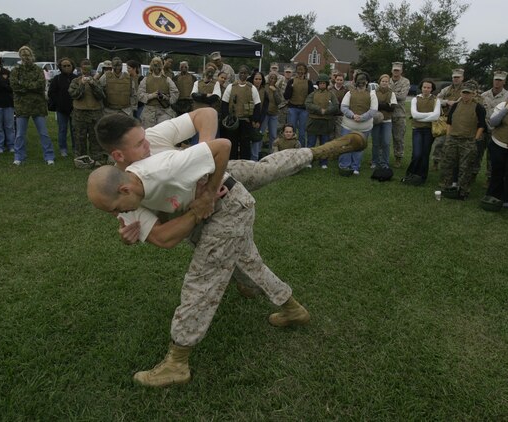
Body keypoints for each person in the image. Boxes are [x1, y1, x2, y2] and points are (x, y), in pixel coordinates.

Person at [89, 108, 365, 388]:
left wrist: (206, 172)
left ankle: (177, 363)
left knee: (204, 276)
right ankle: (291, 308)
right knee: (242, 260)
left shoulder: (161, 159)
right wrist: (141, 229)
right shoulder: (118, 186)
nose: (147, 143)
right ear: (118, 157)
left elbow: (211, 125)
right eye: (138, 144)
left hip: (219, 187)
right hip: (202, 201)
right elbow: (161, 236)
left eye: (144, 138)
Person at [440, 81, 487, 200]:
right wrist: (448, 136)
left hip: (468, 140)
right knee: (448, 163)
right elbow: (449, 122)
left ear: (473, 94)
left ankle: (463, 191)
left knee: (465, 167)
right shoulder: (455, 105)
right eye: (464, 93)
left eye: (468, 93)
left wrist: (475, 139)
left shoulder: (478, 107)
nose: (465, 96)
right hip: (453, 138)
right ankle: (447, 186)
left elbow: (482, 125)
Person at [10, 46, 55, 165]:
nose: (26, 57)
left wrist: (24, 85)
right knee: (20, 134)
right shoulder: (16, 70)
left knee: (44, 133)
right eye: (23, 55)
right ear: (20, 56)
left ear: (32, 55)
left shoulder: (38, 70)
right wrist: (30, 86)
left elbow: (40, 85)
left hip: (38, 105)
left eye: (28, 55)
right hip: (21, 106)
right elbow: (14, 86)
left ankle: (49, 156)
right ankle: (19, 156)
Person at [477, 70, 508, 183]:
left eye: (500, 80)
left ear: (504, 82)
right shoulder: (484, 95)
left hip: (497, 130)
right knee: (476, 153)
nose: (497, 82)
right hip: (483, 129)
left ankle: (490, 178)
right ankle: (473, 173)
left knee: (492, 156)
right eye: (495, 80)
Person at [338, 71, 377, 176]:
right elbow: (344, 107)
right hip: (348, 125)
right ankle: (344, 166)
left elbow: (373, 110)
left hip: (364, 127)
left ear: (367, 82)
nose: (361, 84)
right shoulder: (349, 93)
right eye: (359, 81)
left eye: (363, 82)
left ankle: (355, 167)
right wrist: (352, 115)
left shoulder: (372, 94)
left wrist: (363, 117)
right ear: (356, 82)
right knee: (345, 146)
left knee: (359, 147)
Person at [68, 58, 105, 167]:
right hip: (80, 114)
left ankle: (96, 158)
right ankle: (81, 158)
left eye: (88, 70)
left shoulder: (96, 81)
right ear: (80, 69)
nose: (86, 73)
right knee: (80, 137)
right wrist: (82, 85)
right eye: (84, 70)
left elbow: (101, 96)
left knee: (95, 137)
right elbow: (74, 95)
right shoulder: (75, 82)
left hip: (95, 114)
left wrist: (93, 84)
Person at [403, 79, 441, 185]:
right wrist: (429, 116)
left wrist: (420, 117)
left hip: (429, 130)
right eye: (424, 87)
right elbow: (414, 115)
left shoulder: (435, 100)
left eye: (429, 87)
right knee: (417, 154)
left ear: (432, 89)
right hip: (417, 130)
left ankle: (422, 176)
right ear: (421, 88)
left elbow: (436, 116)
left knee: (425, 154)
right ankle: (411, 173)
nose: (426, 89)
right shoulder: (415, 99)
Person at [221, 65, 261, 160]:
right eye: (241, 73)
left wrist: (255, 119)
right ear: (238, 74)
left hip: (246, 120)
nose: (243, 74)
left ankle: (245, 162)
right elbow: (224, 103)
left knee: (245, 144)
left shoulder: (252, 88)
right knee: (232, 143)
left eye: (245, 73)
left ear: (248, 75)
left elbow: (257, 105)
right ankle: (232, 161)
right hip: (233, 121)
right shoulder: (230, 87)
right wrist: (226, 118)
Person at [432, 68, 464, 170]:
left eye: (458, 77)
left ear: (462, 78)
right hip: (445, 120)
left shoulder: (466, 90)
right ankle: (436, 162)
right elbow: (437, 99)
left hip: (460, 121)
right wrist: (447, 102)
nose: (456, 79)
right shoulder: (447, 89)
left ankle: (453, 165)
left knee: (456, 144)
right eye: (454, 77)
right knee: (439, 142)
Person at [305, 73, 339, 169]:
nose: (322, 85)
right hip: (313, 121)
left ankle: (323, 162)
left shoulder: (331, 95)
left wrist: (327, 111)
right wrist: (319, 109)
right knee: (311, 143)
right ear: (318, 84)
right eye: (320, 83)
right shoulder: (313, 94)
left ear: (327, 84)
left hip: (326, 122)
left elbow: (336, 106)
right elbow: (307, 104)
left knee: (324, 144)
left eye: (324, 83)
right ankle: (309, 161)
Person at [138, 56, 178, 129]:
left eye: (158, 65)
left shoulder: (167, 80)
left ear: (161, 66)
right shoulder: (146, 80)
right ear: (152, 66)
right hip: (149, 112)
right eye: (155, 65)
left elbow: (175, 93)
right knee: (149, 135)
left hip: (164, 112)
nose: (156, 68)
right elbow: (140, 95)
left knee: (163, 134)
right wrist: (151, 96)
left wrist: (166, 98)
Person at [47, 57, 76, 157]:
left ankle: (75, 148)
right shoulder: (57, 79)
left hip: (75, 109)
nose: (67, 67)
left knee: (74, 130)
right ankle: (63, 149)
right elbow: (51, 93)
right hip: (61, 109)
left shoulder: (76, 78)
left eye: (69, 65)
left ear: (72, 66)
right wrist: (58, 103)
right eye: (64, 66)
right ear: (60, 67)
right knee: (62, 129)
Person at [191, 62, 222, 143]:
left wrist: (201, 96)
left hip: (210, 116)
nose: (210, 72)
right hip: (198, 114)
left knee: (210, 140)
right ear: (205, 70)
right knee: (196, 139)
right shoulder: (197, 83)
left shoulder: (216, 83)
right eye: (209, 69)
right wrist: (206, 95)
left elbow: (215, 98)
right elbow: (194, 96)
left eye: (212, 70)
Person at [371, 74, 398, 170]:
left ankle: (384, 163)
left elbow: (392, 108)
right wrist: (386, 105)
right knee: (375, 142)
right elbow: (372, 106)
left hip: (387, 121)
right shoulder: (373, 92)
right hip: (376, 121)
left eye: (386, 81)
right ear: (379, 82)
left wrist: (380, 105)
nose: (384, 83)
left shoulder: (392, 93)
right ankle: (375, 161)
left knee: (386, 142)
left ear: (388, 83)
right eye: (383, 81)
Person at [284, 63, 314, 148]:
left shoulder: (309, 82)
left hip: (304, 110)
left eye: (302, 69)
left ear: (305, 71)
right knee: (290, 130)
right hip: (292, 108)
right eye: (298, 69)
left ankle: (301, 150)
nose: (300, 71)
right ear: (296, 70)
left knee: (302, 132)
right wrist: (290, 87)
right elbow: (286, 96)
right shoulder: (291, 81)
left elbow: (311, 96)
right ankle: (289, 148)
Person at [388, 62, 410, 168]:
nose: (396, 72)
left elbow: (402, 96)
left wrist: (388, 94)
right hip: (386, 113)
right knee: (384, 138)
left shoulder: (405, 81)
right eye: (394, 70)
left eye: (398, 70)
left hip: (399, 114)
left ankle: (398, 158)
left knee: (398, 138)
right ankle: (381, 158)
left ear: (401, 71)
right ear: (392, 70)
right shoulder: (386, 80)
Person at [248, 70, 268, 161]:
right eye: (256, 79)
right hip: (249, 118)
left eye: (260, 79)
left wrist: (259, 121)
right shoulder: (248, 89)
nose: (258, 81)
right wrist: (252, 120)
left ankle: (255, 159)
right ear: (253, 79)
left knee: (257, 138)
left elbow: (264, 108)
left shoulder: (265, 91)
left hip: (260, 119)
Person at [261, 71, 283, 154]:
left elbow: (279, 101)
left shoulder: (277, 89)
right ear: (268, 78)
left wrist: (275, 92)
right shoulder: (264, 87)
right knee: (261, 133)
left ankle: (272, 152)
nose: (272, 80)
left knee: (273, 135)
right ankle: (259, 151)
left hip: (274, 114)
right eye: (271, 78)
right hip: (265, 114)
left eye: (274, 79)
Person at [329, 72, 348, 141]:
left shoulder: (346, 91)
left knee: (339, 134)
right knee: (330, 135)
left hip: (341, 115)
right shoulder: (330, 90)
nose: (339, 82)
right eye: (338, 80)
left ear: (343, 81)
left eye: (341, 80)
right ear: (335, 80)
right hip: (331, 115)